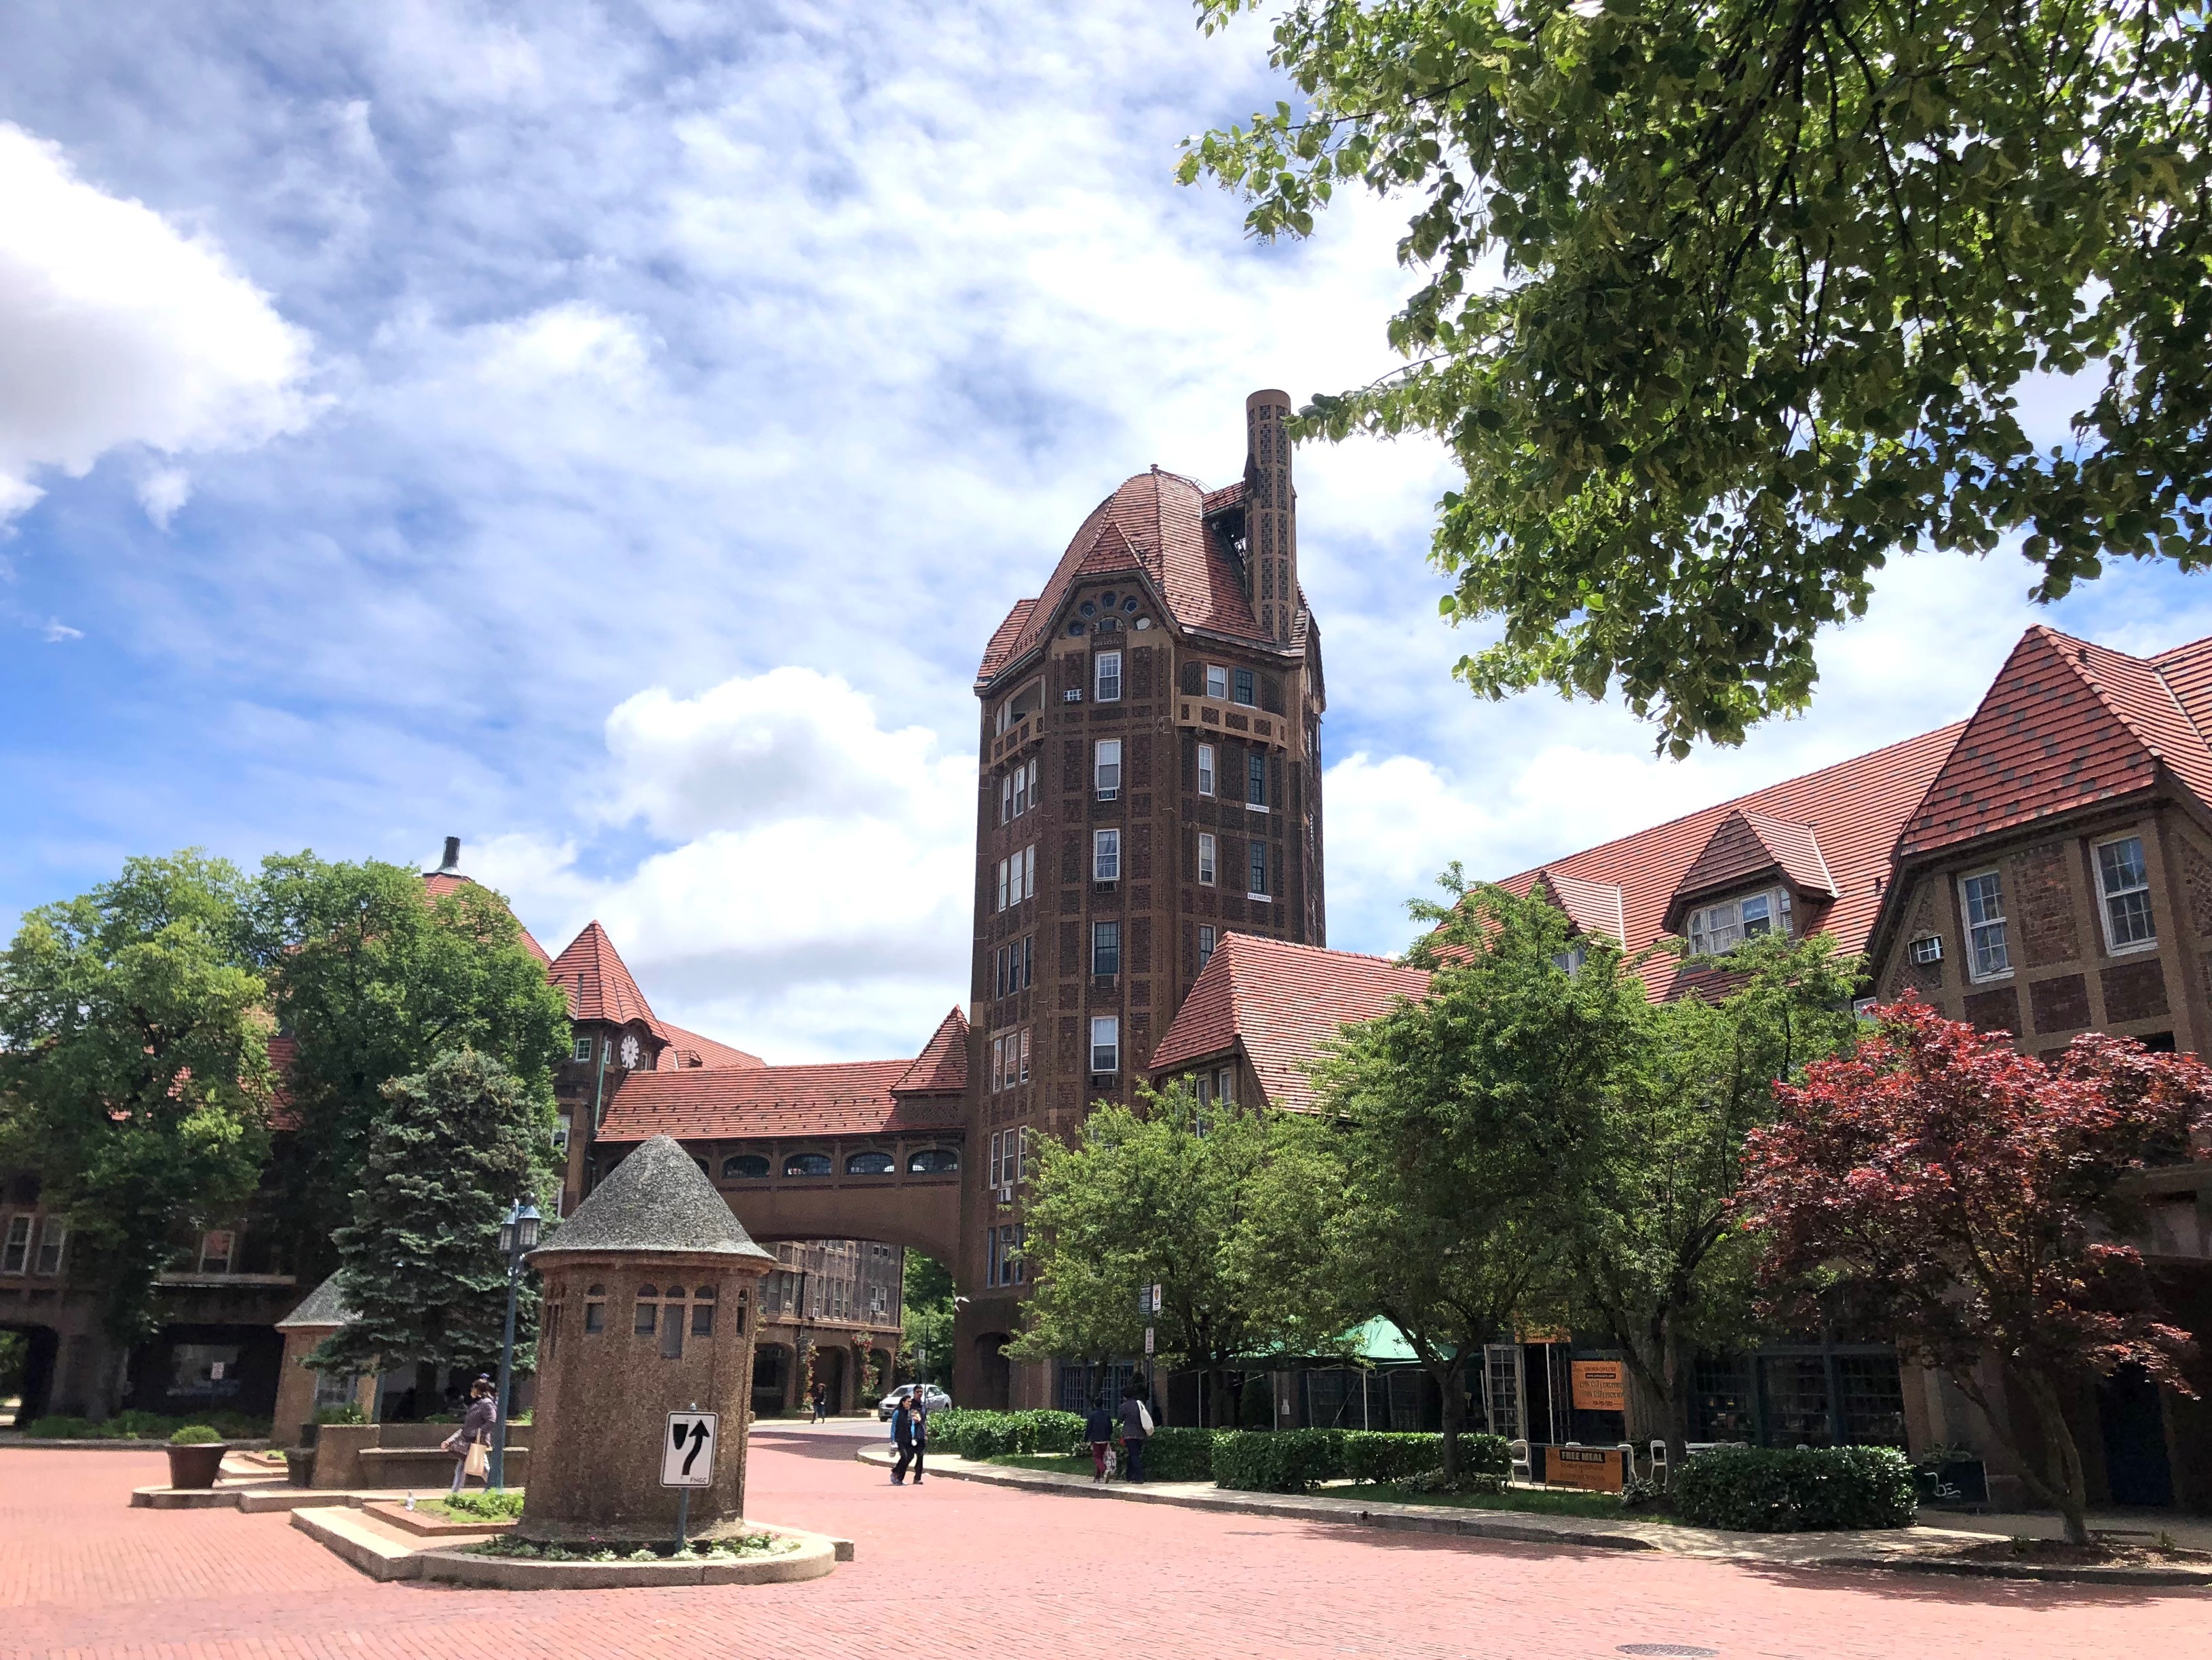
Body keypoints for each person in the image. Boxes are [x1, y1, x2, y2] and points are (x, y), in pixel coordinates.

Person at [443, 1377, 497, 1492]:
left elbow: (492, 1421)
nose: (472, 1390)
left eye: (474, 1388)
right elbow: (465, 1428)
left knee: (484, 1469)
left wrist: (478, 1432)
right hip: (468, 1443)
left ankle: (494, 1488)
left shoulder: (487, 1404)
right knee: (462, 1467)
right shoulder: (475, 1404)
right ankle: (455, 1494)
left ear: (479, 1390)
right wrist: (450, 1440)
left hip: (476, 1442)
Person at [1118, 1380, 1153, 1483]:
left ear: (1124, 1396)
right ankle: (1129, 1475)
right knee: (1134, 1454)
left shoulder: (1123, 1407)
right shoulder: (1139, 1404)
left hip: (1129, 1434)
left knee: (1134, 1455)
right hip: (1141, 1433)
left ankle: (1139, 1477)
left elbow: (1120, 1419)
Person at [890, 1394, 920, 1484]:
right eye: (908, 1402)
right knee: (904, 1456)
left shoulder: (910, 1413)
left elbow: (913, 1426)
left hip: (909, 1439)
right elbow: (894, 1426)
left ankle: (899, 1477)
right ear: (903, 1403)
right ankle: (896, 1473)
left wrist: (914, 1438)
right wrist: (893, 1440)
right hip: (900, 1440)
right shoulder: (897, 1412)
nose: (910, 1403)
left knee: (910, 1456)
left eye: (911, 1402)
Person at [1084, 1396, 1115, 1483]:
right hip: (1105, 1439)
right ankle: (1097, 1478)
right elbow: (1110, 1427)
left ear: (1095, 1405)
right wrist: (1109, 1436)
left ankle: (1104, 1470)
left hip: (1096, 1439)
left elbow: (1089, 1428)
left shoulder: (1093, 1415)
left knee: (1097, 1457)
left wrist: (1086, 1438)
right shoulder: (1107, 1414)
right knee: (1102, 1457)